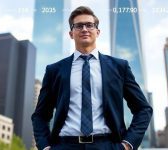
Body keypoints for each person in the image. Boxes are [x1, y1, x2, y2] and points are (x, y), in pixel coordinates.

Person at [32, 6, 153, 150]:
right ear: (71, 33)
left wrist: (127, 145)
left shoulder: (119, 67)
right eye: (78, 26)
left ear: (97, 31)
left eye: (89, 25)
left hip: (108, 145)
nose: (84, 29)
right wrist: (45, 147)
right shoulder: (54, 70)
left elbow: (143, 109)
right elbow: (40, 115)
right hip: (65, 145)